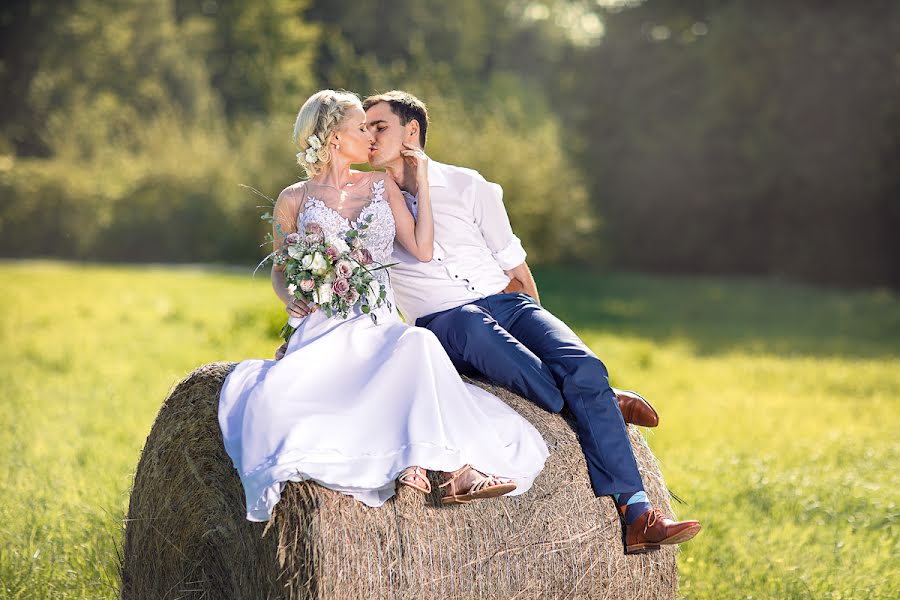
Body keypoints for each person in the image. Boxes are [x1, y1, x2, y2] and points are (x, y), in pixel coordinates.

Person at [361, 90, 701, 554]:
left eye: (378, 126)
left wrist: (538, 322)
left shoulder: (468, 185)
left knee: (584, 365)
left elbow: (515, 269)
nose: (369, 136)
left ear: (412, 131)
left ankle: (638, 512)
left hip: (505, 303)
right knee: (519, 365)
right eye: (363, 128)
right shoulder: (369, 203)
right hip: (446, 321)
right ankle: (601, 403)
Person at [219, 90, 548, 521]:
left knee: (417, 346)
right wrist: (292, 297)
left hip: (375, 318)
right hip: (323, 321)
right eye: (360, 128)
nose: (369, 137)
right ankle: (428, 464)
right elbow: (281, 270)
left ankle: (436, 466)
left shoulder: (381, 184)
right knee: (276, 402)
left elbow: (422, 248)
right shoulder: (293, 199)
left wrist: (423, 180)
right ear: (334, 138)